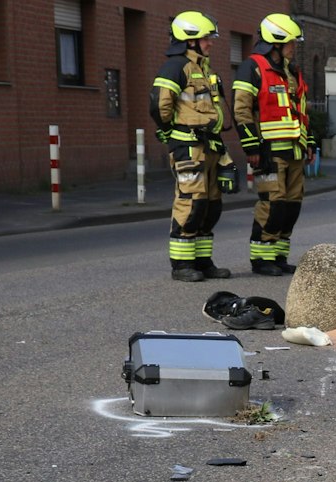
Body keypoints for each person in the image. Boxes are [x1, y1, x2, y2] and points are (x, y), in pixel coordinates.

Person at [151, 11, 232, 281]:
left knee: (211, 205)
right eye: (205, 38)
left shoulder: (203, 69)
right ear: (189, 40)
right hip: (188, 147)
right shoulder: (176, 67)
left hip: (209, 146)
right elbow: (159, 105)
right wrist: (169, 132)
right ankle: (182, 265)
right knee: (191, 203)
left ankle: (202, 261)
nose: (210, 43)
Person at [234, 13, 313, 275]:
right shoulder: (252, 68)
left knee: (292, 205)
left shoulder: (291, 71)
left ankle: (278, 254)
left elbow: (302, 109)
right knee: (272, 203)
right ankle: (261, 258)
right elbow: (242, 111)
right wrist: (252, 149)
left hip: (294, 150)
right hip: (269, 152)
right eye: (291, 42)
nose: (294, 46)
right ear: (276, 42)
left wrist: (309, 142)